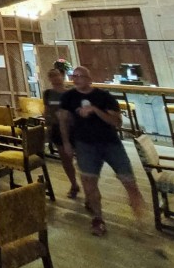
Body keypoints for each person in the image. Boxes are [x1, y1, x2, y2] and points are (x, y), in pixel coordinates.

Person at [58, 66, 143, 236]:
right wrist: (66, 142)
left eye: (80, 76)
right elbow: (63, 120)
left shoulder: (104, 97)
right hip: (85, 145)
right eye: (74, 76)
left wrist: (95, 110)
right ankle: (98, 218)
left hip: (110, 143)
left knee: (128, 181)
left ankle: (141, 218)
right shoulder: (68, 97)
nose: (76, 79)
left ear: (89, 79)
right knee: (89, 184)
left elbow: (116, 122)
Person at [43, 67, 80, 199]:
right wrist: (48, 124)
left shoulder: (71, 93)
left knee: (80, 158)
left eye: (57, 75)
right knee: (65, 159)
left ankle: (89, 189)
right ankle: (74, 184)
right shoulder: (48, 94)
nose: (55, 78)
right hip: (56, 128)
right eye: (52, 76)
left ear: (62, 76)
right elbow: (47, 111)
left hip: (72, 129)